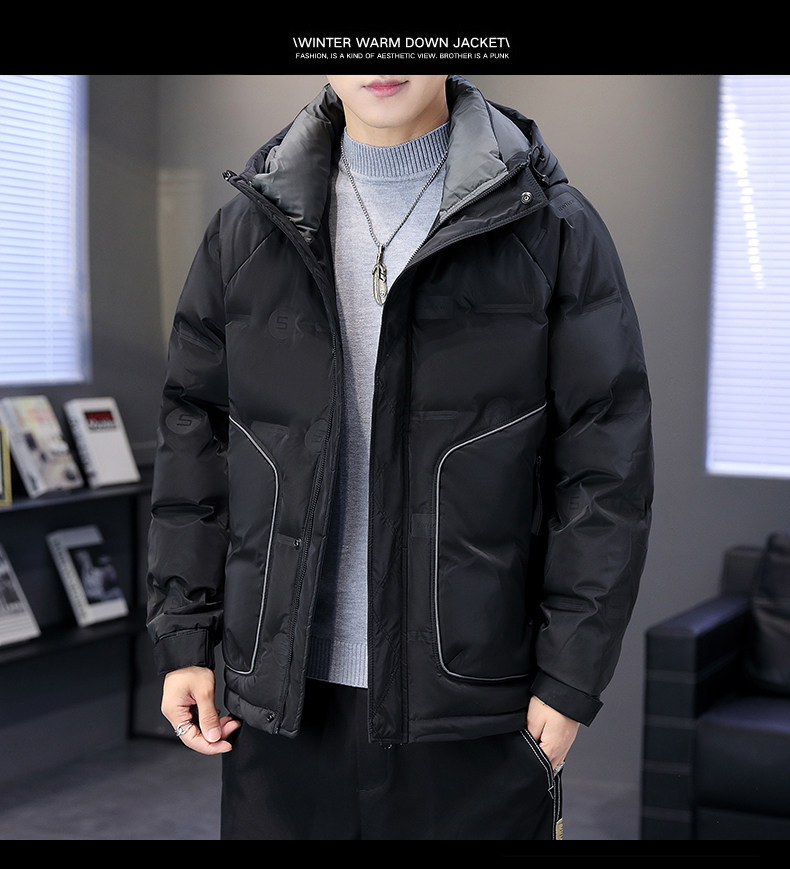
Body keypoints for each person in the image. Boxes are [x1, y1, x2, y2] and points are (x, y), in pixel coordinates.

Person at [147, 74, 653, 840]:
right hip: (283, 709)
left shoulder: (552, 228)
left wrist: (571, 673)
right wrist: (186, 632)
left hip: (475, 713)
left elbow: (605, 470)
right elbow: (198, 440)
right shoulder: (244, 233)